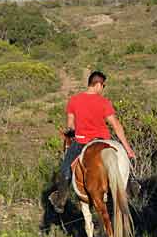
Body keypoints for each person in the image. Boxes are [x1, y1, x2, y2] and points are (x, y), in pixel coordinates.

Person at [48, 71, 136, 214]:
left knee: (65, 169)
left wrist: (70, 133)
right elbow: (116, 126)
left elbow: (70, 127)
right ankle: (131, 187)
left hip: (82, 142)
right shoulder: (104, 102)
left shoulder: (74, 100)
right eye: (103, 85)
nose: (103, 89)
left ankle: (60, 199)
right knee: (120, 156)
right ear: (98, 84)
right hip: (104, 140)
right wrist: (127, 148)